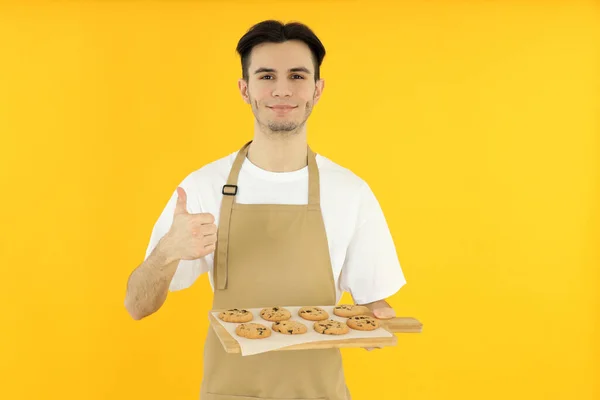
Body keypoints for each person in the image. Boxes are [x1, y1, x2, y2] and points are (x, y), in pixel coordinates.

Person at [124, 19, 406, 400]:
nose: (282, 89)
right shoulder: (201, 188)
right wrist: (167, 251)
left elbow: (374, 305)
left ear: (317, 89)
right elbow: (136, 305)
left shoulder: (351, 192)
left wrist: (376, 324)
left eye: (297, 75)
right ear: (245, 89)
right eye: (267, 75)